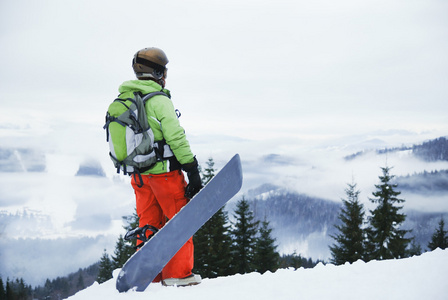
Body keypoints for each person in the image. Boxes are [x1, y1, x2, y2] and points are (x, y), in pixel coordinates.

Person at [118, 47, 203, 286]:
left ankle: (150, 275)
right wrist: (192, 169)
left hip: (139, 177)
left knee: (148, 223)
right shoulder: (158, 100)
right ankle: (177, 275)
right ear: (157, 72)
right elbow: (175, 137)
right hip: (164, 176)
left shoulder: (126, 99)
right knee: (179, 221)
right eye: (164, 70)